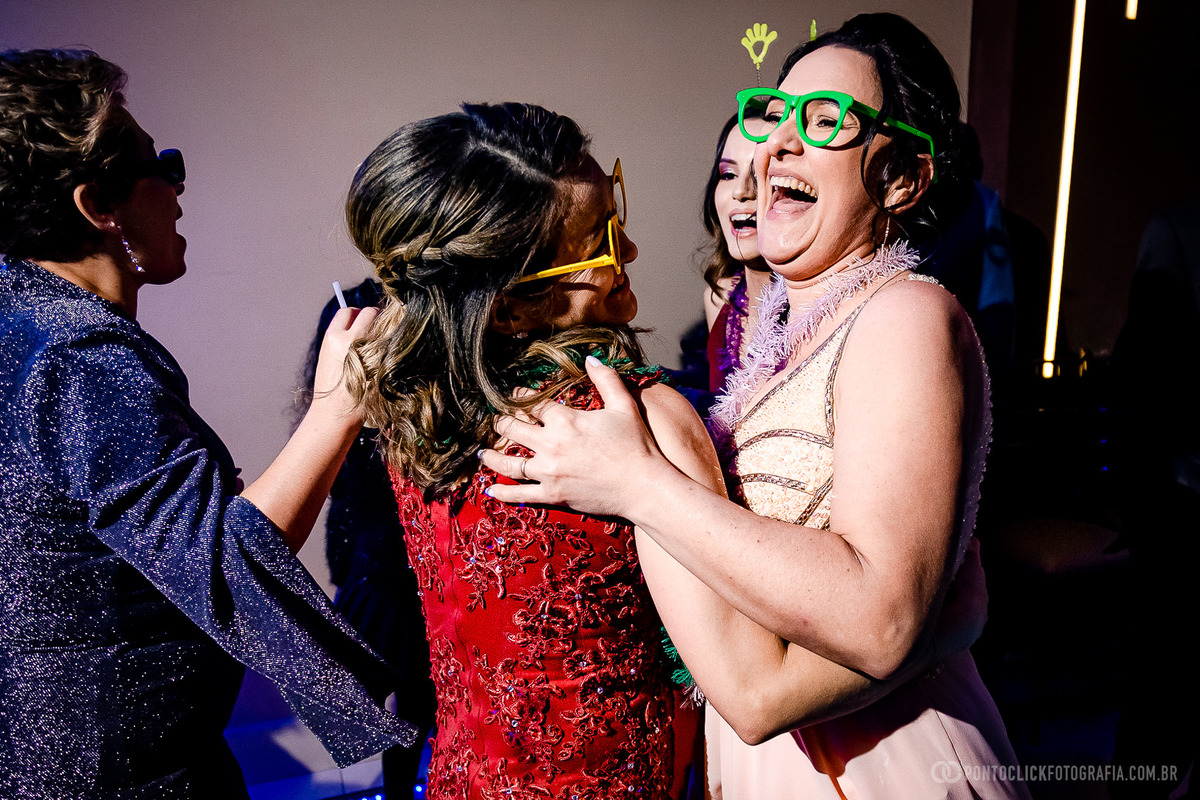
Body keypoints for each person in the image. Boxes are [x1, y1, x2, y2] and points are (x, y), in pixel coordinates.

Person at [338, 101, 957, 800]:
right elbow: (757, 694)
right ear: (509, 307)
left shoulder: (419, 414)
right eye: (599, 241)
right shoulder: (637, 419)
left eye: (617, 213)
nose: (629, 250)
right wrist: (937, 629)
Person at [481, 14, 1028, 799]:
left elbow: (880, 622)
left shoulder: (905, 315)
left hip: (881, 763)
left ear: (902, 179)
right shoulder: (778, 337)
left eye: (826, 119)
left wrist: (637, 484)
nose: (780, 145)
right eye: (775, 113)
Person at [0, 49, 412, 799]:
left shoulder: (19, 321)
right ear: (99, 206)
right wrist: (341, 401)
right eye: (162, 165)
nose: (180, 187)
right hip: (119, 774)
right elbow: (224, 569)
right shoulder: (81, 357)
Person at [299, 278, 437, 799]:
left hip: (398, 569)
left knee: (417, 700)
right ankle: (400, 789)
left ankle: (403, 788)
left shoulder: (399, 418)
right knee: (391, 698)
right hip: (378, 571)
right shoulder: (353, 424)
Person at [701, 110, 776, 392]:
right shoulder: (718, 297)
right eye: (728, 174)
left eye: (762, 174)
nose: (742, 191)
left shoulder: (820, 306)